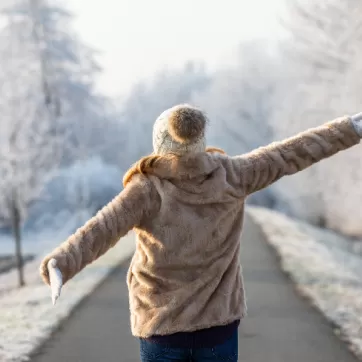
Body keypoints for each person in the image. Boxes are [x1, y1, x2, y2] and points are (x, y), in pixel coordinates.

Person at [40, 105, 362, 362]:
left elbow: (101, 229)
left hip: (160, 328)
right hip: (218, 330)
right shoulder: (233, 175)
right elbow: (291, 153)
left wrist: (61, 263)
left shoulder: (147, 189)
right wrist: (348, 129)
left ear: (160, 143)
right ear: (199, 142)